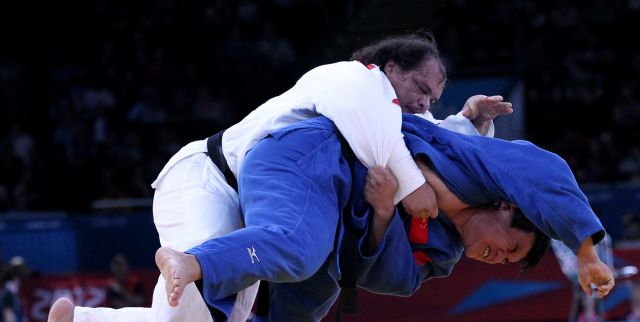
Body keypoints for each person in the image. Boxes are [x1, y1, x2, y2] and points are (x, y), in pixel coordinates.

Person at [48, 33, 512, 322]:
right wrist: (411, 190)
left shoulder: (399, 121)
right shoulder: (348, 80)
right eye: (420, 89)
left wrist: (472, 121)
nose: (425, 104)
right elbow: (397, 150)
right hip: (210, 181)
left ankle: (82, 320)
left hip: (253, 209)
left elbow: (435, 138)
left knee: (204, 319)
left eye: (435, 98)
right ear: (390, 70)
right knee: (208, 298)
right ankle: (181, 265)